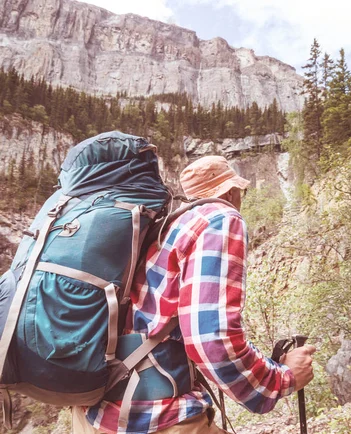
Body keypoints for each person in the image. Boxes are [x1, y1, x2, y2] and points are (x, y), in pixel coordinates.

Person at [73, 155, 316, 433]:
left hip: (93, 414)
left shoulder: (163, 228)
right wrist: (281, 379)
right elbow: (210, 338)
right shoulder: (220, 218)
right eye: (242, 192)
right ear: (231, 191)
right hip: (157, 418)